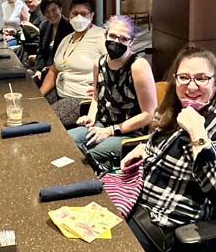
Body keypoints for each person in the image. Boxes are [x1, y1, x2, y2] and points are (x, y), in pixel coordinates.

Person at [122, 46, 216, 229]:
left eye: (202, 78)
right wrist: (146, 148)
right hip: (136, 198)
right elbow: (170, 143)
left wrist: (198, 135)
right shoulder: (176, 105)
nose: (191, 86)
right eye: (184, 77)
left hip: (168, 222)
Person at [67, 15, 157, 173]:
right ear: (105, 35)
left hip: (129, 132)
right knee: (66, 142)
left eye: (123, 39)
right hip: (101, 125)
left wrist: (111, 130)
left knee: (86, 159)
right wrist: (90, 116)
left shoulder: (138, 66)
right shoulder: (99, 63)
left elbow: (149, 114)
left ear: (131, 42)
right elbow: (96, 95)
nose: (116, 41)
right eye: (113, 36)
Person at [39, 0, 105, 127]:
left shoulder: (101, 36)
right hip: (59, 91)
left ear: (92, 16)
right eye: (75, 13)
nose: (79, 17)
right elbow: (54, 70)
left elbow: (118, 66)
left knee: (44, 120)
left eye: (84, 14)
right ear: (69, 15)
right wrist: (39, 95)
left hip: (79, 98)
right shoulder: (67, 39)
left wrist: (103, 88)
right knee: (31, 108)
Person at [32, 0, 73, 84]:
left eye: (54, 10)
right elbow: (40, 52)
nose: (51, 14)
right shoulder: (44, 25)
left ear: (60, 9)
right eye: (47, 11)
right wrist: (38, 70)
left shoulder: (70, 27)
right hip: (43, 70)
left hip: (59, 72)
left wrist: (49, 69)